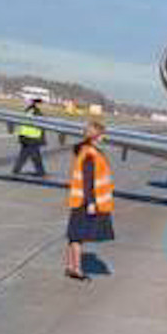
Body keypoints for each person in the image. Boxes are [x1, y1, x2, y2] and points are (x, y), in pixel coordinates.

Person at [63, 120, 114, 280]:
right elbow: (88, 181)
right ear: (96, 136)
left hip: (78, 200)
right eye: (102, 135)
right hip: (84, 202)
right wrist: (91, 202)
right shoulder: (91, 155)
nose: (104, 138)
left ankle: (71, 266)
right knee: (78, 236)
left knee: (74, 236)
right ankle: (77, 269)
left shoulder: (85, 151)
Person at [12, 100, 48, 177]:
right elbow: (41, 126)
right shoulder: (35, 112)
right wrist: (42, 139)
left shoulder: (28, 111)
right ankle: (41, 172)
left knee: (24, 155)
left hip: (26, 137)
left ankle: (16, 170)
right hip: (32, 137)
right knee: (35, 156)